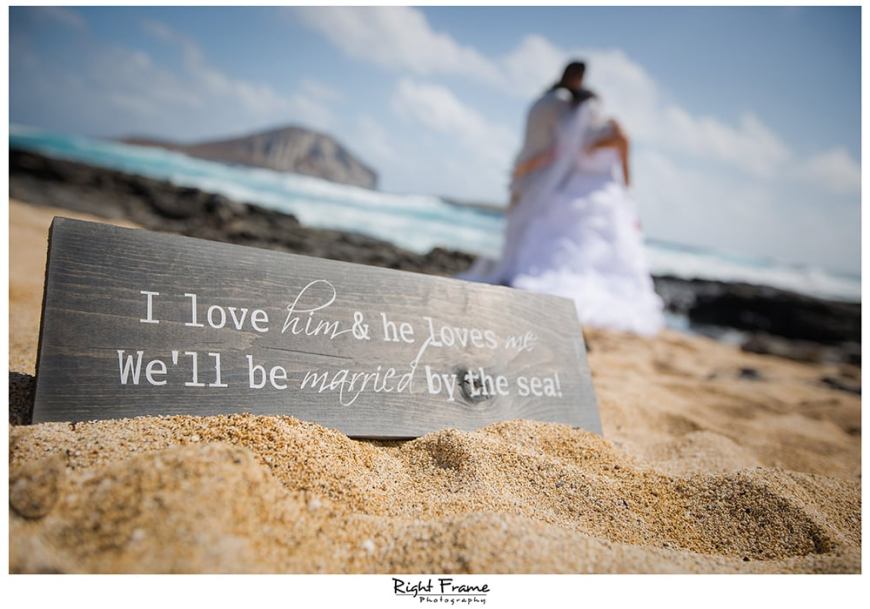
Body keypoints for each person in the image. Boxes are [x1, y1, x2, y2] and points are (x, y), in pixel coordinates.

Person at [458, 61, 664, 336]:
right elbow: (599, 152)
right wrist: (627, 192)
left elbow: (557, 152)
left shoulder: (560, 117)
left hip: (568, 192)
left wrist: (524, 169)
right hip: (592, 196)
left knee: (564, 243)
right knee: (594, 250)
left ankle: (516, 269)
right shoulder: (598, 128)